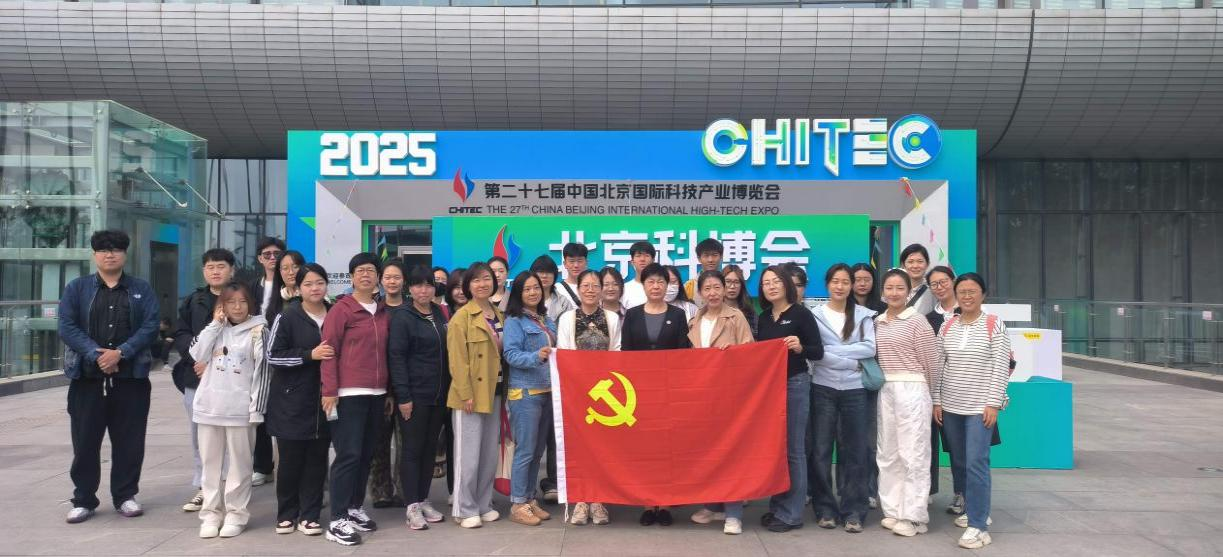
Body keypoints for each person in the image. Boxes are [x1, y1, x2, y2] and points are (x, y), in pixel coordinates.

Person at [58, 230, 160, 524]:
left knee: (130, 442)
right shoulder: (77, 288)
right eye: (103, 250)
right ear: (94, 255)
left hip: (131, 380)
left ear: (125, 254)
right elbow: (67, 326)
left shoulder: (140, 289)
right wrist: (97, 355)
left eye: (115, 249)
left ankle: (125, 496)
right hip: (87, 380)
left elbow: (151, 326)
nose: (109, 254)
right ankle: (83, 499)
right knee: (85, 442)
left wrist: (121, 353)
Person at [934, 273, 1011, 550]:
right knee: (959, 462)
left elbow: (1001, 366)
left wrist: (993, 403)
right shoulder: (947, 326)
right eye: (962, 292)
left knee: (977, 462)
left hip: (980, 408)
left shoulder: (994, 324)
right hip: (950, 407)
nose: (967, 296)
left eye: (972, 291)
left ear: (983, 294)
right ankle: (973, 509)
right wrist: (936, 400)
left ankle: (978, 526)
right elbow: (939, 365)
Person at [320, 253, 391, 546]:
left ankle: (353, 507)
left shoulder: (382, 312)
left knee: (365, 454)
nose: (365, 275)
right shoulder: (342, 310)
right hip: (348, 394)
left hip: (377, 393)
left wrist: (388, 391)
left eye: (371, 270)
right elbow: (328, 351)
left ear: (378, 278)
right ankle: (337, 519)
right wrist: (329, 390)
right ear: (351, 277)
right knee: (348, 455)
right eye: (360, 271)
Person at [189, 281, 269, 539]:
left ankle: (236, 514)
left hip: (240, 411)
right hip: (209, 408)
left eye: (242, 302)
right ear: (221, 305)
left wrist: (256, 408)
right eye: (231, 302)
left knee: (240, 467)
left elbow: (263, 373)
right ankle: (211, 514)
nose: (237, 307)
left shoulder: (259, 330)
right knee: (210, 467)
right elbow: (197, 354)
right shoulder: (214, 330)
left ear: (250, 304)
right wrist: (215, 324)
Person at [809, 263, 877, 534]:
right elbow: (816, 352)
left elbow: (870, 347)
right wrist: (850, 360)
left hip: (855, 391)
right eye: (835, 281)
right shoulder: (815, 315)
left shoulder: (863, 315)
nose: (840, 286)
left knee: (855, 452)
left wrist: (833, 353)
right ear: (827, 284)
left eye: (845, 282)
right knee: (821, 451)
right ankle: (825, 509)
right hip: (822, 388)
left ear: (851, 286)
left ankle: (854, 511)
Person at [621, 263, 691, 526]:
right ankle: (648, 503)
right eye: (651, 281)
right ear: (644, 285)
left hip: (668, 391)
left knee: (668, 447)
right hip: (639, 392)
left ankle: (667, 504)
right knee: (644, 448)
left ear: (667, 285)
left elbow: (683, 353)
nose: (656, 286)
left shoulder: (678, 314)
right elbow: (626, 353)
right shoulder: (633, 315)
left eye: (661, 281)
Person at [266, 263, 333, 537]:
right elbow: (273, 355)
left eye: (319, 283)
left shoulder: (334, 313)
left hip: (325, 401)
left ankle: (310, 515)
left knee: (317, 461)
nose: (315, 288)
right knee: (291, 462)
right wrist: (309, 355)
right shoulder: (288, 316)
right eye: (308, 284)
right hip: (291, 402)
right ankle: (286, 514)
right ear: (299, 288)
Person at [685, 270, 754, 535]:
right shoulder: (695, 320)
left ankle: (733, 513)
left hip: (730, 396)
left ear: (725, 289)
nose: (712, 293)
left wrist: (734, 354)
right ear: (700, 293)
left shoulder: (736, 317)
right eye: (707, 288)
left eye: (717, 287)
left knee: (731, 452)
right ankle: (713, 505)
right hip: (703, 396)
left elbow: (751, 353)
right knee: (709, 452)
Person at [755, 265, 823, 533]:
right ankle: (778, 507)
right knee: (777, 449)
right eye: (766, 283)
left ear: (786, 284)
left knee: (794, 450)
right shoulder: (764, 317)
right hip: (770, 389)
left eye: (776, 281)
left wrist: (801, 347)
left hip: (795, 384)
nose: (771, 286)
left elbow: (818, 352)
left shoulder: (801, 314)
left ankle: (792, 513)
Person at [873, 269, 940, 537]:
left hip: (913, 388)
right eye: (889, 288)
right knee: (888, 452)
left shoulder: (918, 321)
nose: (894, 293)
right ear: (882, 292)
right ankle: (892, 510)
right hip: (886, 388)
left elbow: (931, 364)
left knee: (914, 453)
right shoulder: (877, 322)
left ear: (908, 291)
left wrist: (930, 396)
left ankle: (913, 515)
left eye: (900, 288)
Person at [388, 265, 451, 530]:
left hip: (439, 395)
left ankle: (423, 498)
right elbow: (396, 358)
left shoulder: (439, 313)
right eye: (417, 285)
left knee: (429, 450)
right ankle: (411, 505)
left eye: (428, 285)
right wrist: (403, 396)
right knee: (412, 450)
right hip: (414, 395)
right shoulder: (403, 317)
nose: (423, 290)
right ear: (409, 289)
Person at [556, 269, 621, 526]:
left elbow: (616, 352)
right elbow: (564, 353)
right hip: (577, 392)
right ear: (578, 289)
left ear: (602, 290)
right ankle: (581, 500)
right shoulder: (567, 318)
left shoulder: (612, 318)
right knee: (579, 448)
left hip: (606, 393)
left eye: (596, 286)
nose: (591, 290)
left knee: (604, 448)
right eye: (586, 285)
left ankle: (599, 500)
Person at [172, 248, 235, 513]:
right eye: (210, 267)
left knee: (233, 436)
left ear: (231, 270)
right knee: (200, 435)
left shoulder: (241, 298)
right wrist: (198, 357)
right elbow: (181, 334)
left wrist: (214, 360)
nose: (216, 271)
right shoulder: (192, 300)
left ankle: (231, 487)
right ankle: (204, 487)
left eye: (221, 266)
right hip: (196, 377)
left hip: (232, 378)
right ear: (204, 271)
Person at [447, 262, 506, 529]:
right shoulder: (461, 318)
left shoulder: (498, 313)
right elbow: (457, 360)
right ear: (468, 286)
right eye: (476, 280)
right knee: (467, 456)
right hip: (469, 395)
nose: (482, 284)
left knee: (488, 455)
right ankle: (464, 508)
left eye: (487, 279)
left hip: (495, 392)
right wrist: (465, 393)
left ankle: (483, 504)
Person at [501, 271, 558, 526]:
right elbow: (511, 355)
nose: (533, 292)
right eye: (527, 289)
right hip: (525, 394)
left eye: (536, 288)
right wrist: (536, 356)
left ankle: (529, 498)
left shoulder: (545, 319)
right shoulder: (514, 321)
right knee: (525, 450)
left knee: (537, 451)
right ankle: (517, 504)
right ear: (518, 293)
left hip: (547, 392)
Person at [255, 249, 306, 486]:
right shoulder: (275, 303)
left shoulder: (319, 299)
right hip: (282, 377)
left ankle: (315, 486)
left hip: (310, 375)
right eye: (284, 268)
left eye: (295, 266)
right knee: (285, 438)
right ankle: (287, 487)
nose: (290, 272)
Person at [369, 258, 407, 509]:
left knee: (406, 444)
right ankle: (381, 492)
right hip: (379, 385)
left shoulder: (411, 310)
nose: (392, 281)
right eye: (388, 277)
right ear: (381, 280)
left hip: (406, 386)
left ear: (404, 281)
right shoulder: (375, 310)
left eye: (397, 277)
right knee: (379, 442)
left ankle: (405, 490)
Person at [923, 264, 958, 505]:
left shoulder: (971, 312)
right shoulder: (928, 319)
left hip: (964, 390)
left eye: (943, 281)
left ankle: (963, 494)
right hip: (935, 391)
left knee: (961, 447)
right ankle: (928, 490)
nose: (939, 287)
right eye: (934, 284)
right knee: (929, 442)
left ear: (953, 281)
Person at [530, 254, 575, 326]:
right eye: (541, 272)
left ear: (555, 275)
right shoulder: (525, 301)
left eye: (549, 272)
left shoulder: (563, 303)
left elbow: (571, 327)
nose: (544, 276)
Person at [250, 236, 286, 316]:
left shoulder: (289, 284)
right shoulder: (253, 286)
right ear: (260, 259)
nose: (272, 258)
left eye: (277, 254)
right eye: (267, 254)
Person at [683, 238, 723, 306]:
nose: (710, 260)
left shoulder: (728, 283)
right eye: (706, 255)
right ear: (699, 258)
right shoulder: (689, 287)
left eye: (714, 255)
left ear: (721, 257)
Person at [721, 264, 758, 336]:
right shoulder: (714, 311)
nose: (732, 286)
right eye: (728, 281)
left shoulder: (750, 314)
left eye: (736, 282)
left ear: (741, 285)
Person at [620, 240, 656, 310]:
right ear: (632, 262)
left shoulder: (659, 287)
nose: (642, 259)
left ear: (653, 260)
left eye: (646, 255)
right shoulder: (624, 289)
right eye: (638, 256)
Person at [900, 244, 935, 315]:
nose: (915, 266)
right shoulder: (895, 289)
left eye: (920, 261)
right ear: (903, 265)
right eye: (910, 262)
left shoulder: (933, 291)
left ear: (927, 264)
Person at [556, 242, 588, 309]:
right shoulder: (557, 289)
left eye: (580, 261)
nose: (576, 265)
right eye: (572, 261)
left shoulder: (594, 287)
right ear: (565, 264)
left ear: (586, 263)